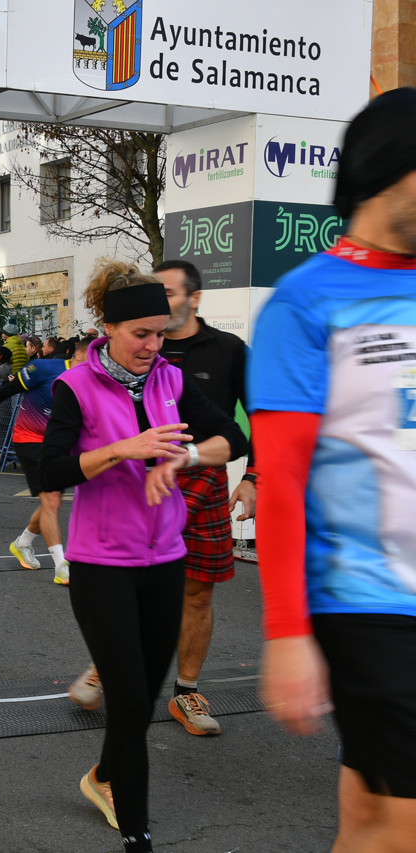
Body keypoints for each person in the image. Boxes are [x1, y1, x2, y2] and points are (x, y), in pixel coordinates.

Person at [251, 88, 416, 852]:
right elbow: (282, 481)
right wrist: (288, 632)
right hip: (367, 596)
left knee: (371, 815)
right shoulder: (305, 301)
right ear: (390, 171)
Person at [37, 261, 245, 853]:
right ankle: (137, 832)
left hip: (166, 559)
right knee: (128, 701)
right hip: (102, 564)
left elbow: (234, 437)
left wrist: (186, 458)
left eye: (161, 333)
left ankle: (103, 776)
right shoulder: (75, 386)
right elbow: (50, 471)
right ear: (109, 328)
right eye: (141, 334)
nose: (154, 346)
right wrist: (122, 450)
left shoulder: (171, 381)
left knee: (142, 700)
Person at [0, 338, 74, 585]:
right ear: (75, 353)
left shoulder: (93, 380)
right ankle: (61, 566)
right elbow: (10, 388)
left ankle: (23, 543)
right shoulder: (45, 368)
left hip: (57, 443)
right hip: (30, 438)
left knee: (52, 502)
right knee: (52, 501)